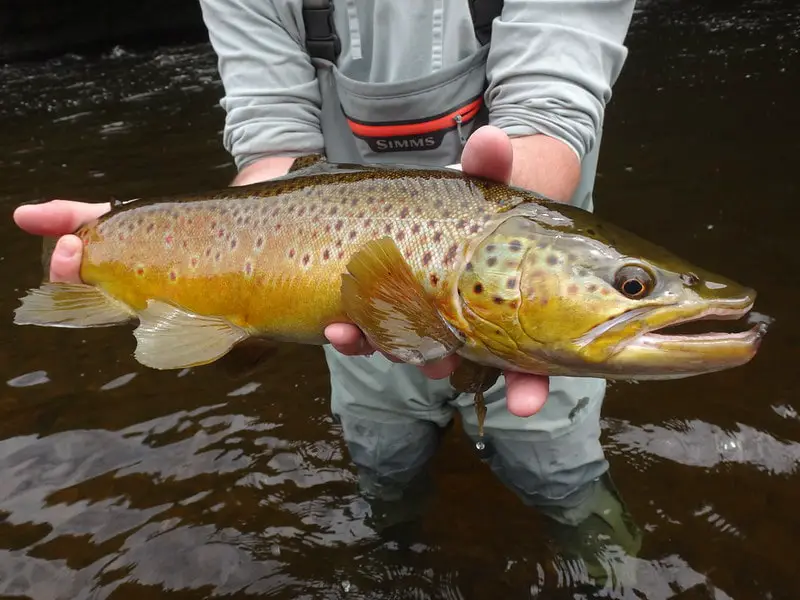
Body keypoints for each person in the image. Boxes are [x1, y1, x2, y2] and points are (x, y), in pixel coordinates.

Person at [13, 0, 642, 589]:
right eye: (635, 286)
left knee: (564, 477)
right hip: (347, 320)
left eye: (635, 286)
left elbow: (553, 111)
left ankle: (612, 579)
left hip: (522, 299)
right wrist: (157, 249)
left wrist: (465, 226)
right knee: (385, 467)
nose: (638, 291)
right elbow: (272, 146)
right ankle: (393, 561)